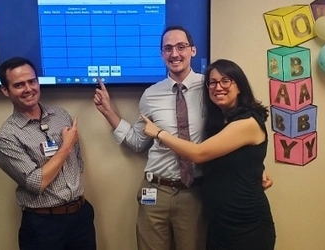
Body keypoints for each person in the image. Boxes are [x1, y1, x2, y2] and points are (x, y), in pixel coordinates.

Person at [141, 59, 276, 250]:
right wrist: (258, 169)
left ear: (239, 86)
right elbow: (241, 159)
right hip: (219, 224)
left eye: (226, 81)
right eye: (212, 82)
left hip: (246, 224)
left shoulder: (247, 123)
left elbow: (198, 153)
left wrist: (158, 133)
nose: (218, 87)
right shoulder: (220, 123)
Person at [94, 25, 207, 250]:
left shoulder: (209, 88)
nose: (175, 54)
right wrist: (108, 111)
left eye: (181, 47)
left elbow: (226, 133)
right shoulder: (151, 94)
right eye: (168, 48)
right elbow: (137, 142)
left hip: (194, 192)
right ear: (161, 54)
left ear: (193, 50)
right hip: (155, 191)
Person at [0, 57, 96, 250]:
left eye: (32, 81)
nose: (28, 89)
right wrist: (65, 146)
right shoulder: (7, 137)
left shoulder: (61, 115)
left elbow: (77, 161)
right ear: (6, 90)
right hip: (42, 224)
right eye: (19, 85)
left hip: (80, 216)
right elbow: (36, 183)